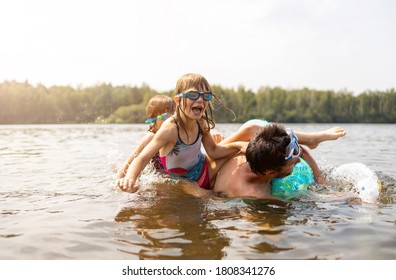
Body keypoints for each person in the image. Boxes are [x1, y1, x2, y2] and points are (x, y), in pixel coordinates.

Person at [118, 73, 246, 192]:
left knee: (249, 132)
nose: (200, 100)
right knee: (208, 200)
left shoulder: (201, 123)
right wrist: (129, 178)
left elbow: (213, 151)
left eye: (205, 96)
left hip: (203, 172)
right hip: (182, 183)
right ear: (178, 101)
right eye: (193, 95)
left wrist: (238, 146)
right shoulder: (170, 130)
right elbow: (142, 158)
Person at [212, 122, 344, 199]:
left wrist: (320, 178)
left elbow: (301, 152)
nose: (298, 161)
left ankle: (312, 139)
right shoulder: (255, 194)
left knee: (253, 128)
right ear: (270, 172)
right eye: (292, 163)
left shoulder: (255, 150)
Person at [117, 95, 175, 178]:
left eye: (173, 115)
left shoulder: (169, 135)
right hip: (153, 178)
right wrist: (121, 178)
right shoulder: (150, 137)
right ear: (154, 118)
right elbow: (132, 159)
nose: (171, 120)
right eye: (166, 116)